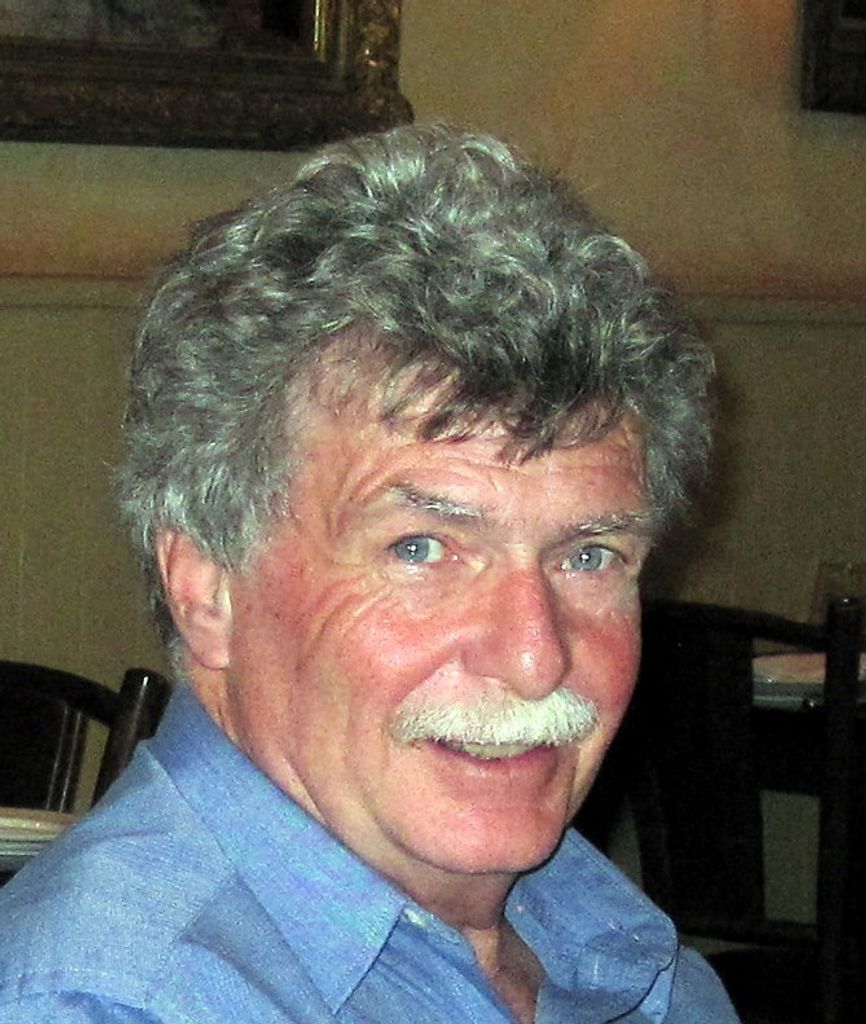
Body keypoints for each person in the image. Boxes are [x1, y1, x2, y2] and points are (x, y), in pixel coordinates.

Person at [0, 124, 738, 1023]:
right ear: (207, 588)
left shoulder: (634, 964)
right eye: (421, 549)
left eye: (589, 557)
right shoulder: (112, 1003)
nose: (534, 657)